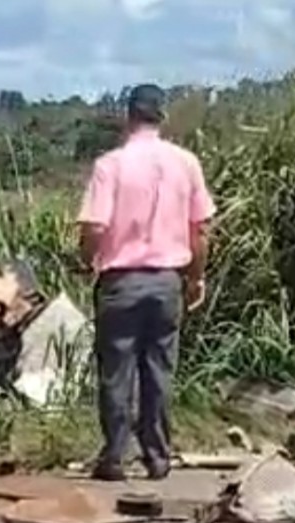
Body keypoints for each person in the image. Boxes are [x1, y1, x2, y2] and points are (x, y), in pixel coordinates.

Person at [77, 83, 216, 481]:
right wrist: (196, 277)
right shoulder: (185, 163)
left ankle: (115, 456)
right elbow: (201, 229)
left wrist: (88, 260)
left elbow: (93, 226)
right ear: (162, 115)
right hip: (166, 279)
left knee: (116, 370)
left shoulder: (110, 165)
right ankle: (157, 456)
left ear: (129, 115)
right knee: (158, 370)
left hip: (121, 279)